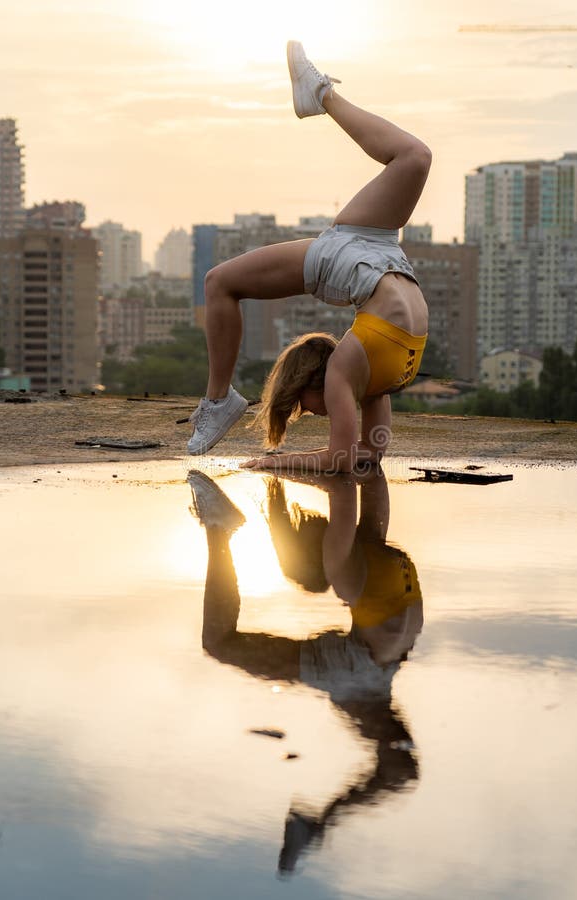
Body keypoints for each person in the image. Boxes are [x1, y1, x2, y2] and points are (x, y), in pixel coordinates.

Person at [187, 41, 431, 472]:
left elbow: (342, 457)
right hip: (379, 254)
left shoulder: (346, 370)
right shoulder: (369, 380)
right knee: (415, 157)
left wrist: (272, 464)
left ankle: (218, 399)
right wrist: (305, 456)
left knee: (218, 283)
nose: (317, 415)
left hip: (358, 261)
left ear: (308, 383)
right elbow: (368, 457)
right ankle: (319, 96)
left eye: (302, 407)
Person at [187, 466, 423, 874]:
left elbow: (350, 482)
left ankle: (219, 528)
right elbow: (365, 476)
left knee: (220, 643)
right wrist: (354, 446)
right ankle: (323, 823)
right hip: (371, 670)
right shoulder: (365, 549)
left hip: (364, 667)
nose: (310, 516)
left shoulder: (344, 561)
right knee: (401, 768)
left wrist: (287, 463)